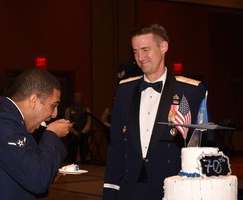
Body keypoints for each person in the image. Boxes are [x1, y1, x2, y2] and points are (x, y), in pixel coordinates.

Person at [103, 24, 210, 199]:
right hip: (130, 189)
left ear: (163, 47)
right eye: (135, 52)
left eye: (145, 50)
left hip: (171, 188)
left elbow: (202, 145)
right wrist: (110, 190)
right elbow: (116, 146)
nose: (140, 57)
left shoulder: (190, 91)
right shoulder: (125, 90)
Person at [0, 68, 73, 200]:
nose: (55, 114)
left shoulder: (10, 120)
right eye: (53, 105)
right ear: (33, 100)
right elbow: (37, 180)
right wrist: (52, 134)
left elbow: (27, 172)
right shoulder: (3, 122)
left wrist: (48, 171)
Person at [65, 92, 91, 163]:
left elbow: (88, 122)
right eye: (76, 97)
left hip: (83, 134)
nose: (78, 99)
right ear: (74, 99)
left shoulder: (86, 110)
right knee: (72, 151)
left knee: (84, 150)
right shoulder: (68, 110)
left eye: (79, 97)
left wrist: (83, 131)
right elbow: (67, 122)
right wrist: (74, 132)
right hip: (73, 134)